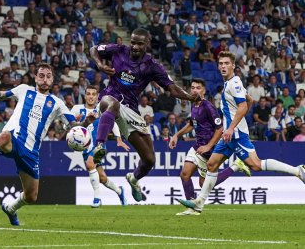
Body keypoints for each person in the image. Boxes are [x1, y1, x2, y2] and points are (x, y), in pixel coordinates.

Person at [0, 64, 93, 226]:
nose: (45, 79)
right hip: (15, 139)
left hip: (31, 152)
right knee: (4, 135)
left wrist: (86, 122)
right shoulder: (25, 89)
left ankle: (10, 208)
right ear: (36, 77)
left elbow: (74, 126)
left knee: (31, 196)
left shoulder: (57, 103)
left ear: (52, 80)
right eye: (41, 75)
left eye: (48, 76)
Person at [178, 51, 305, 213]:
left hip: (235, 134)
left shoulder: (234, 82)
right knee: (211, 164)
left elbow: (243, 106)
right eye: (221, 63)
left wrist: (231, 127)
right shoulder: (229, 83)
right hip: (228, 135)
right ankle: (199, 203)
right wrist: (233, 124)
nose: (223, 66)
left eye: (226, 63)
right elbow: (249, 100)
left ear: (233, 66)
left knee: (256, 165)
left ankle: (297, 171)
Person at [89, 28, 200, 202]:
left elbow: (171, 88)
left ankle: (133, 180)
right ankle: (99, 146)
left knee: (149, 160)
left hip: (132, 110)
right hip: (112, 100)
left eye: (139, 43)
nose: (134, 46)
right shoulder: (118, 50)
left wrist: (189, 97)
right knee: (109, 102)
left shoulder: (152, 66)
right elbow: (94, 49)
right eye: (133, 42)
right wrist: (99, 64)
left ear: (147, 44)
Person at [169, 78, 251, 216]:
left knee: (204, 184)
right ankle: (191, 208)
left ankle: (236, 166)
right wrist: (176, 135)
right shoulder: (193, 104)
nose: (194, 90)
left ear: (204, 90)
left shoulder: (208, 106)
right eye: (193, 87)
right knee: (184, 174)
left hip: (208, 150)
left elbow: (219, 129)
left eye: (198, 88)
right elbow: (191, 123)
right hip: (197, 147)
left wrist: (208, 146)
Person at [71, 86, 129, 207]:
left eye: (93, 94)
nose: (91, 96)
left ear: (97, 97)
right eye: (88, 94)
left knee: (90, 164)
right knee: (102, 178)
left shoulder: (102, 109)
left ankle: (97, 199)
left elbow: (112, 124)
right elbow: (69, 128)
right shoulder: (76, 109)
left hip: (98, 145)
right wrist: (75, 122)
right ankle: (120, 191)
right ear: (85, 96)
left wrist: (118, 138)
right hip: (85, 149)